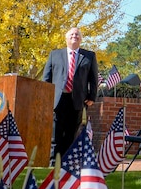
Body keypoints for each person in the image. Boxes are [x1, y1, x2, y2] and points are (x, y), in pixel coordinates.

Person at [42, 26, 99, 159]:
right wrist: (46, 97)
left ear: (81, 39)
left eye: (77, 34)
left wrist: (92, 97)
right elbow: (46, 78)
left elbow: (93, 78)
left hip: (78, 100)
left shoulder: (89, 56)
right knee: (56, 133)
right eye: (72, 34)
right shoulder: (55, 55)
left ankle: (66, 163)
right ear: (66, 38)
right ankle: (52, 163)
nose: (75, 36)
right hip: (57, 100)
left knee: (71, 133)